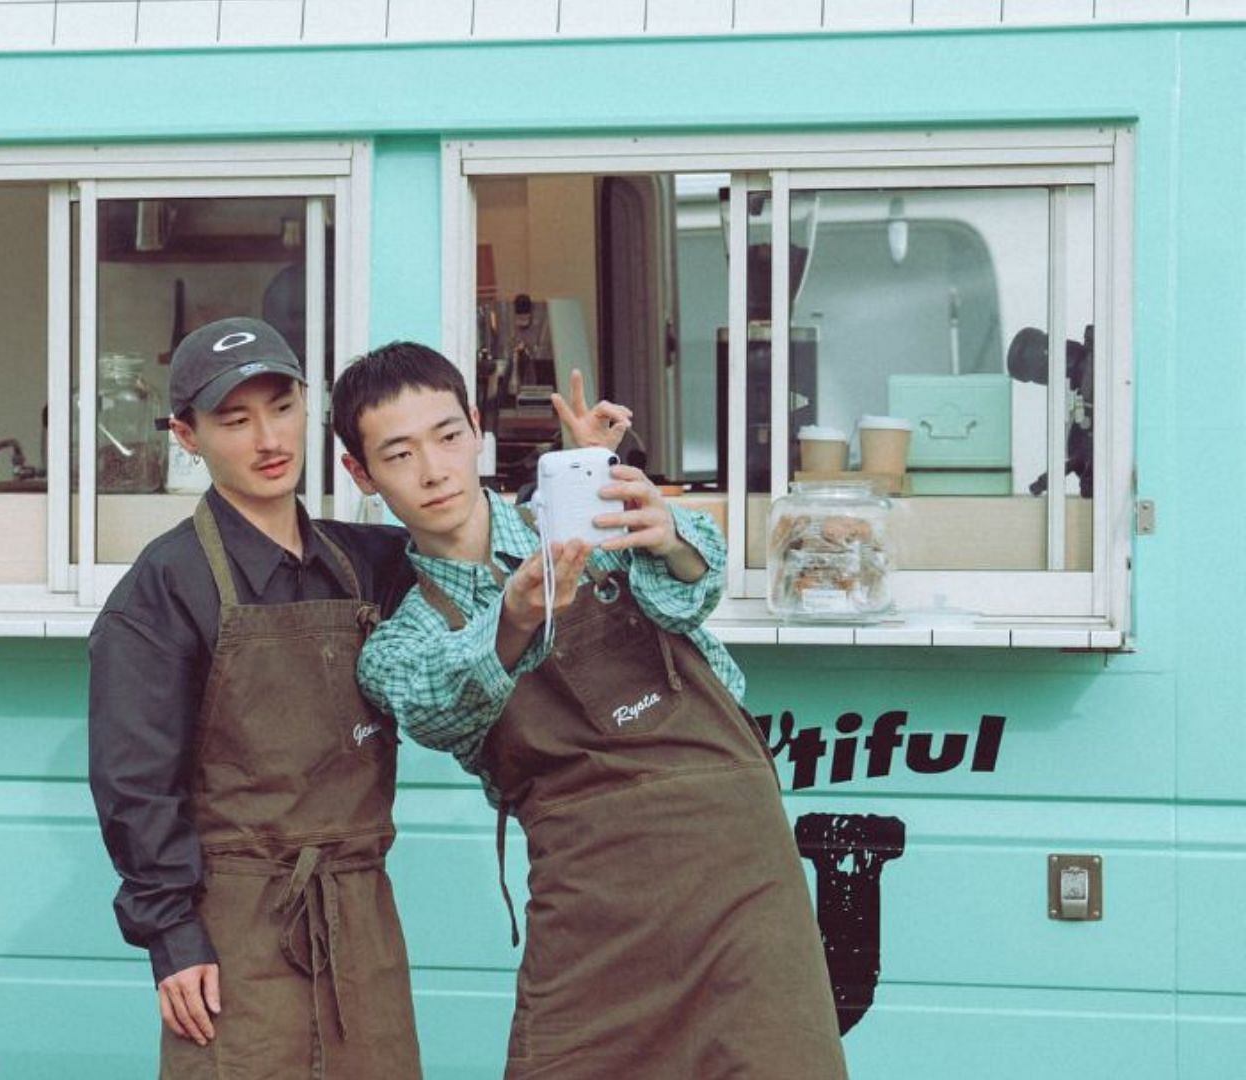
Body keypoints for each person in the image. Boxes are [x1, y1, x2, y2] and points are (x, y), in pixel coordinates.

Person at [334, 341, 847, 1079]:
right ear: (361, 472)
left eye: (448, 437)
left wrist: (668, 534)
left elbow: (693, 591)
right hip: (591, 894)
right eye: (399, 453)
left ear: (477, 428)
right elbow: (438, 706)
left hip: (732, 855)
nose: (434, 469)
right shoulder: (404, 636)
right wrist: (511, 621)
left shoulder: (584, 524)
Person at [87, 318, 423, 1079]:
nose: (267, 438)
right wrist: (172, 940)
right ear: (187, 435)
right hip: (235, 929)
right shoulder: (165, 586)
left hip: (361, 916)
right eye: (235, 420)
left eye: (281, 407)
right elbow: (135, 782)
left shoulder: (371, 564)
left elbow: (473, 565)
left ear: (308, 404)